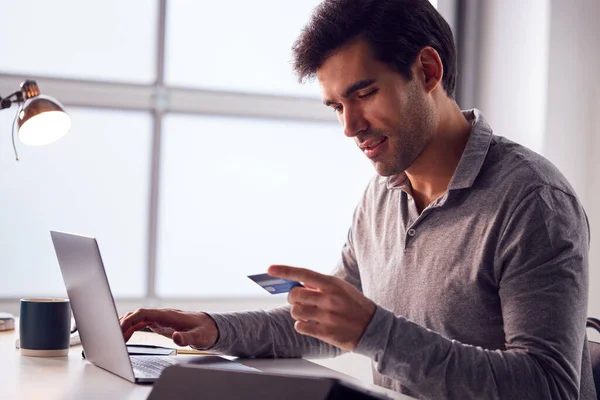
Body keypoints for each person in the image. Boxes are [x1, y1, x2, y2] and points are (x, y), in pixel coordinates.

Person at [120, 0, 596, 398]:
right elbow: (329, 323)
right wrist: (211, 329)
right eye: (337, 107)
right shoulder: (382, 194)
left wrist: (376, 332)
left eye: (364, 94)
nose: (349, 126)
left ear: (428, 71)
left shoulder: (534, 202)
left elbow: (549, 388)